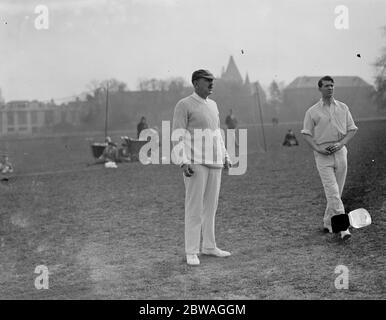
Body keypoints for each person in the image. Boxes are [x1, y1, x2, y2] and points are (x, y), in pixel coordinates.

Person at [172, 69, 232, 266]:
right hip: (195, 163)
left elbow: (217, 134)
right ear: (196, 83)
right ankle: (191, 251)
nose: (211, 84)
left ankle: (209, 246)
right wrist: (183, 161)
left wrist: (225, 155)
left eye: (212, 80)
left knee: (211, 207)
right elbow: (177, 135)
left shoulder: (213, 105)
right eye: (207, 81)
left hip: (215, 163)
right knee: (194, 208)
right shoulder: (184, 104)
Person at [301, 76, 358, 241]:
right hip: (322, 156)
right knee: (332, 192)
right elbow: (306, 134)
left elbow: (352, 129)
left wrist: (341, 144)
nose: (330, 88)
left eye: (332, 85)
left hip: (341, 153)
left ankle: (328, 222)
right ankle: (343, 228)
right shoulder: (312, 111)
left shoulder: (343, 107)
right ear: (320, 89)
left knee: (337, 192)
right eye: (326, 86)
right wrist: (318, 148)